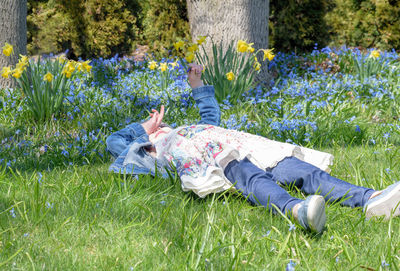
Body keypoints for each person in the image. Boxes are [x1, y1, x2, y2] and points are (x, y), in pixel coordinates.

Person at [106, 63, 400, 233]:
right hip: (216, 158)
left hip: (241, 145)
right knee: (250, 177)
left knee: (300, 170)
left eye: (156, 125)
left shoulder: (190, 128)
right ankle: (297, 211)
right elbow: (114, 142)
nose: (159, 126)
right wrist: (145, 129)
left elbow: (211, 119)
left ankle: (371, 200)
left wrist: (197, 85)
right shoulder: (150, 146)